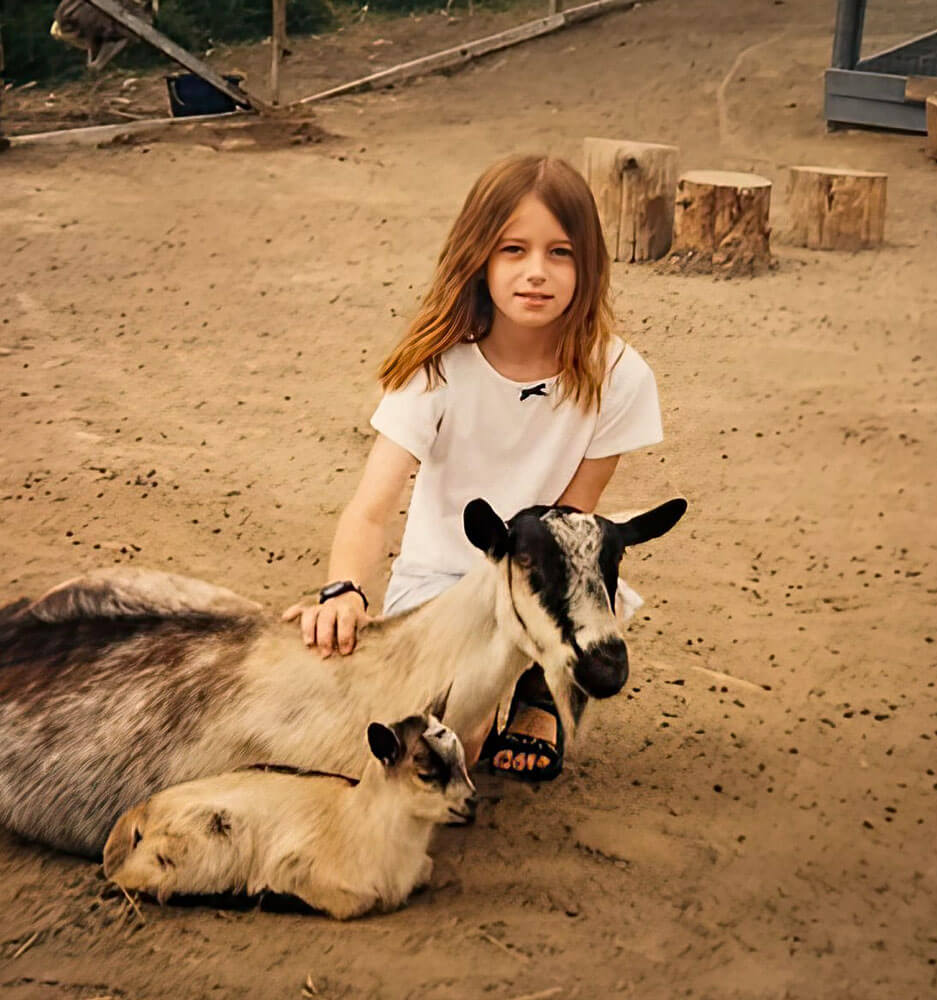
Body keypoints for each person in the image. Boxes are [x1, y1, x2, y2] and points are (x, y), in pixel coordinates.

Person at [283, 153, 664, 781]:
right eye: (513, 249)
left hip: (546, 578)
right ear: (479, 256)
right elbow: (371, 507)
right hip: (443, 581)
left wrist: (528, 618)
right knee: (457, 739)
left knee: (556, 626)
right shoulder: (436, 367)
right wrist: (344, 590)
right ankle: (498, 694)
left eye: (560, 252)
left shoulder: (618, 376)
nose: (536, 273)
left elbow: (573, 517)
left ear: (588, 263)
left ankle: (542, 696)